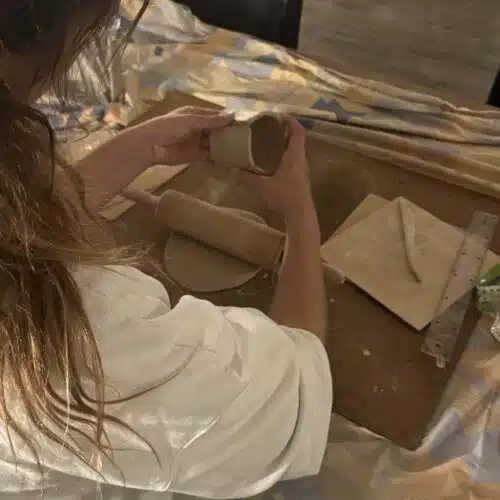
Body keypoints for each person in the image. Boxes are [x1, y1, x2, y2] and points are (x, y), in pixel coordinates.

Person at [0, 1, 332, 499]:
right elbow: (297, 395)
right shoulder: (65, 331)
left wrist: (134, 150)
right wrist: (301, 216)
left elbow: (22, 222)